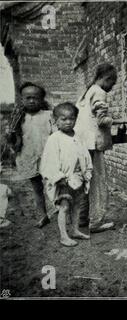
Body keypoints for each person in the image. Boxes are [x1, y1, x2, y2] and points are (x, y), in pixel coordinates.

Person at [40, 102, 92, 247]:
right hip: (63, 179)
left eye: (72, 118)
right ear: (56, 120)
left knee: (76, 206)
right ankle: (64, 235)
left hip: (78, 177)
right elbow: (49, 161)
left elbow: (85, 155)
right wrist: (59, 178)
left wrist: (87, 171)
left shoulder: (78, 137)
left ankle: (75, 230)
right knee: (64, 207)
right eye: (64, 119)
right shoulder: (54, 139)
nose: (68, 122)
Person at [75, 63, 117, 233]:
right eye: (112, 83)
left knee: (86, 182)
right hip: (92, 143)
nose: (112, 87)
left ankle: (82, 220)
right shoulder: (99, 92)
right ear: (106, 79)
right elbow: (101, 120)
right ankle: (95, 222)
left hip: (82, 142)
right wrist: (114, 120)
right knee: (97, 183)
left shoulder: (87, 91)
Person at [9, 82, 56, 228]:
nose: (31, 101)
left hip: (49, 157)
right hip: (29, 157)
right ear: (22, 100)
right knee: (37, 188)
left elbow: (56, 134)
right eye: (27, 98)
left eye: (35, 97)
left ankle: (61, 211)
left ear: (41, 99)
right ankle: (43, 215)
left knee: (54, 185)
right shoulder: (18, 119)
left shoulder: (49, 115)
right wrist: (10, 136)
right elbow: (14, 140)